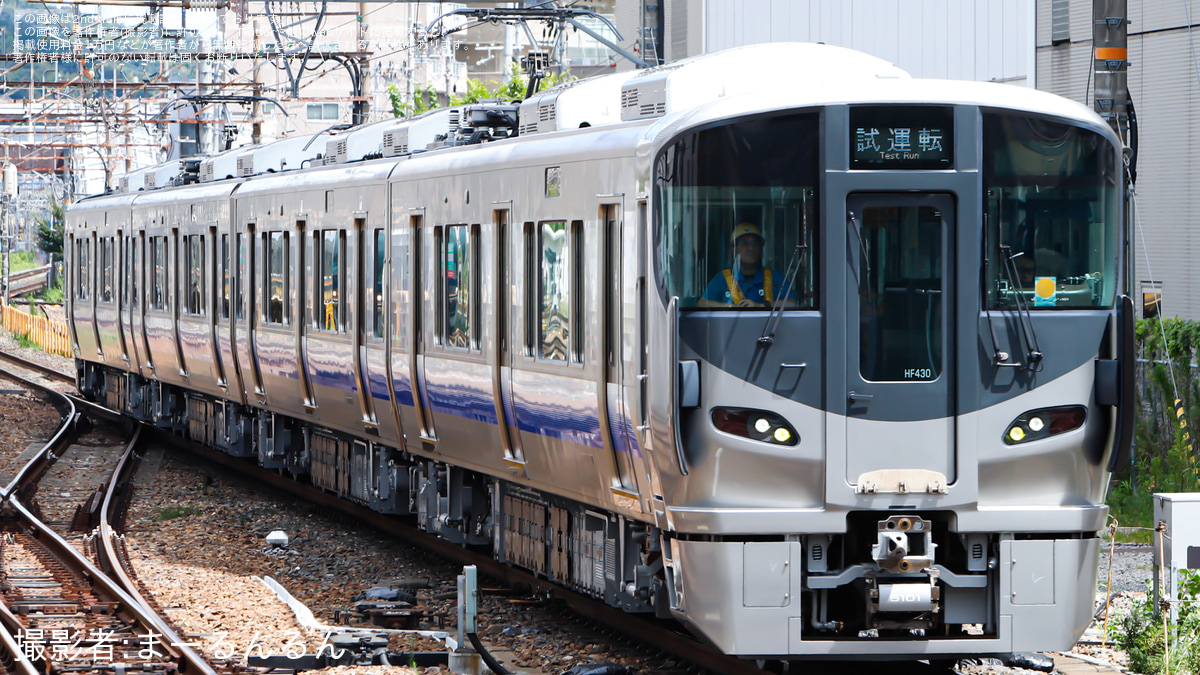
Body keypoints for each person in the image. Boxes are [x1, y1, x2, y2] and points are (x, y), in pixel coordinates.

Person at [699, 223, 794, 308]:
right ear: (734, 249)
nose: (751, 248)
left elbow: (792, 303)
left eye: (755, 243)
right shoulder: (722, 279)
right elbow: (702, 303)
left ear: (761, 248)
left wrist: (761, 306)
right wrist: (731, 306)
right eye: (745, 243)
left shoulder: (776, 277)